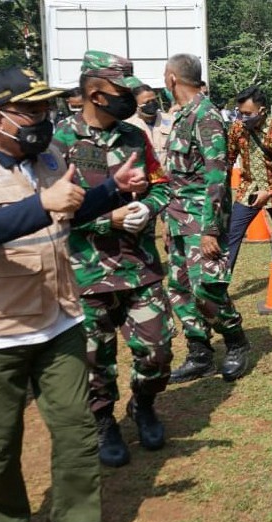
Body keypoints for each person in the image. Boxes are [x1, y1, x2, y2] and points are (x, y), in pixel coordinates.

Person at [0, 66, 148, 522]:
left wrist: (113, 189)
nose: (44, 118)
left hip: (58, 319)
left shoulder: (50, 156)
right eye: (30, 110)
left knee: (76, 427)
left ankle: (75, 520)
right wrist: (43, 202)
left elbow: (69, 209)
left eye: (46, 108)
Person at [52, 51, 174, 468]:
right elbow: (52, 215)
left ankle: (143, 404)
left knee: (157, 351)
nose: (132, 98)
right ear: (94, 93)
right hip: (86, 271)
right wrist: (109, 220)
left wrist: (148, 207)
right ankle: (103, 420)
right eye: (121, 92)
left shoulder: (134, 136)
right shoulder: (59, 141)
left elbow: (162, 185)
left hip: (139, 266)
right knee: (93, 361)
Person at [162, 53, 250, 384]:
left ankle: (236, 341)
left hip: (201, 221)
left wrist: (211, 229)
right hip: (178, 221)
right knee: (180, 288)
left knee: (207, 289)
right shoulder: (182, 116)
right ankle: (199, 353)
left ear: (171, 78)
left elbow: (217, 175)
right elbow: (175, 178)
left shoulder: (205, 115)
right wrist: (169, 225)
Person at [226, 85, 272, 283]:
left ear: (261, 110)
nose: (243, 118)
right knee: (231, 235)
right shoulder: (237, 129)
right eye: (239, 113)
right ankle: (220, 284)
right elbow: (228, 159)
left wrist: (269, 192)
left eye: (247, 114)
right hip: (248, 190)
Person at [126, 83, 173, 167]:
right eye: (147, 102)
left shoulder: (171, 120)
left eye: (154, 100)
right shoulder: (128, 125)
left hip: (168, 176)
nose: (152, 104)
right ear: (136, 105)